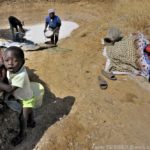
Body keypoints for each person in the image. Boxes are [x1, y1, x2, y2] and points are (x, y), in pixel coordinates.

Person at [0, 46, 35, 145]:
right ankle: (32, 121)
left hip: (26, 99)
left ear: (23, 62)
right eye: (7, 60)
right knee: (29, 110)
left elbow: (10, 89)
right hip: (23, 96)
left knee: (22, 118)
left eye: (15, 61)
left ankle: (22, 134)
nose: (10, 63)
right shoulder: (12, 68)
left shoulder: (21, 75)